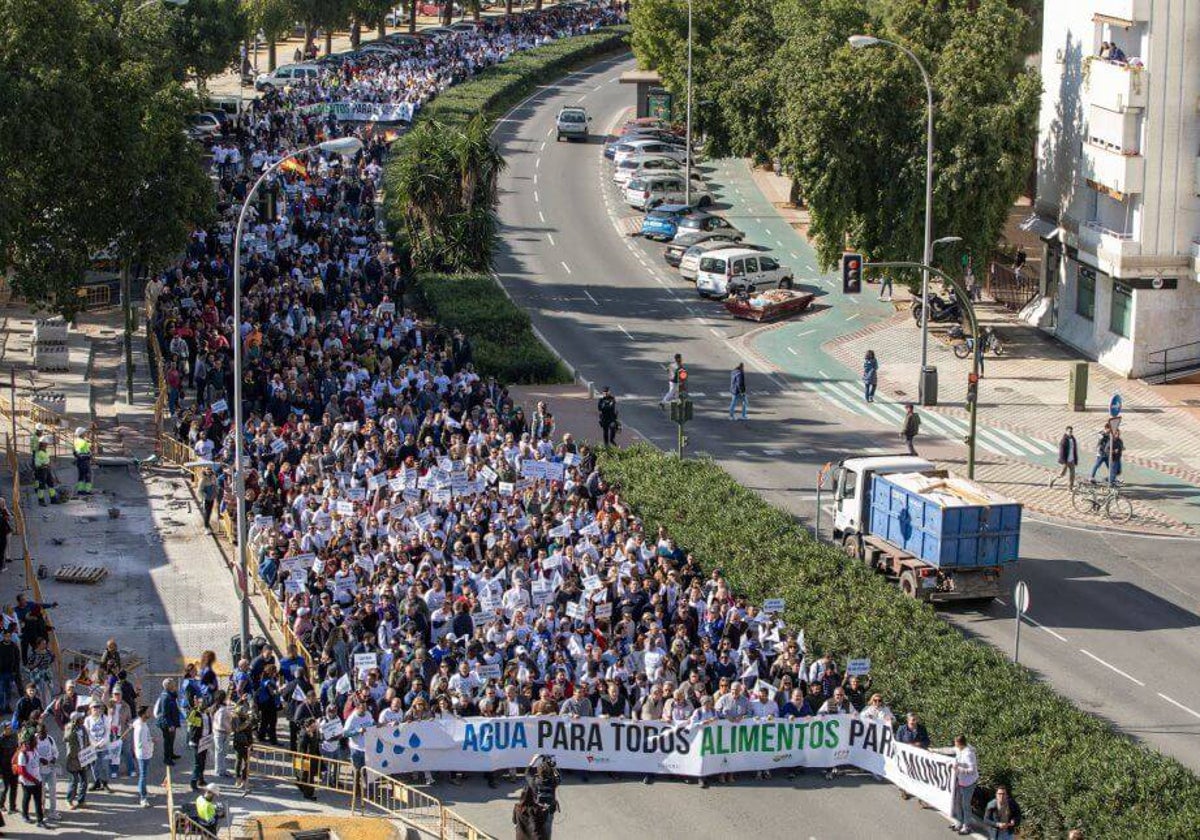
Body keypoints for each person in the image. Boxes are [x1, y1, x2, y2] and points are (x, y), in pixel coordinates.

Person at [524, 755, 560, 838]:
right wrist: (553, 766)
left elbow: (526, 773)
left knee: (535, 830)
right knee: (547, 830)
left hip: (537, 809)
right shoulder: (554, 782)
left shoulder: (534, 782)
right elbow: (559, 776)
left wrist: (534, 760)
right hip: (549, 809)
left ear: (538, 772)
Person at [951, 734, 979, 835]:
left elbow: (972, 770)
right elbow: (949, 750)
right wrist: (934, 751)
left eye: (955, 742)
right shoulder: (959, 749)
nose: (954, 743)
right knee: (957, 802)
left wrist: (959, 769)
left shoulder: (969, 754)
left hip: (969, 783)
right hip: (960, 780)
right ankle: (959, 822)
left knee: (965, 805)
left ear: (959, 743)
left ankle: (967, 826)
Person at [15, 733, 45, 827]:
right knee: (27, 799)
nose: (37, 742)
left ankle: (40, 821)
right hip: (27, 783)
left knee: (38, 800)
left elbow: (36, 758)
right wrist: (33, 780)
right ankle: (25, 815)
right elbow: (22, 771)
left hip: (37, 780)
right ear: (30, 742)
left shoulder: (35, 750)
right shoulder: (22, 754)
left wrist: (42, 760)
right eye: (35, 740)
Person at [63, 710, 89, 810]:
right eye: (81, 718)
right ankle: (69, 800)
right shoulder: (69, 728)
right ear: (76, 720)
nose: (83, 719)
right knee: (74, 781)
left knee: (84, 781)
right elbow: (66, 739)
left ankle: (81, 801)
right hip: (73, 759)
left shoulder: (83, 728)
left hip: (83, 758)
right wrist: (72, 728)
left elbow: (86, 740)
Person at [155, 679, 182, 766]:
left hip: (171, 721)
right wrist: (170, 725)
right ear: (168, 686)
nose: (175, 686)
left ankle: (171, 754)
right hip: (166, 723)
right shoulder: (165, 697)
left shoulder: (169, 694)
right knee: (168, 740)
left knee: (172, 739)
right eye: (173, 684)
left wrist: (175, 693)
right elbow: (165, 713)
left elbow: (174, 698)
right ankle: (167, 758)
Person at [132, 704, 154, 807]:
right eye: (148, 712)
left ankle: (143, 791)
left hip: (146, 753)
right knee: (143, 775)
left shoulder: (141, 723)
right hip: (143, 755)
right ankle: (143, 797)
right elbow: (141, 743)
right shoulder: (140, 727)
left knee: (143, 774)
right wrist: (151, 742)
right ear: (143, 714)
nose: (150, 713)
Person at [35, 722, 58, 821]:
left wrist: (54, 758)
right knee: (41, 793)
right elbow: (31, 754)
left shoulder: (50, 739)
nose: (43, 735)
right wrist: (40, 759)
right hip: (39, 772)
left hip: (50, 770)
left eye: (45, 733)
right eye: (41, 733)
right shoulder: (34, 740)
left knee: (52, 791)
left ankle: (52, 812)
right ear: (38, 733)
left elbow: (56, 751)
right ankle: (41, 811)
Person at [294, 717, 320, 800]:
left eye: (315, 726)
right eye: (312, 726)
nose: (315, 728)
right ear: (307, 727)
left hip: (311, 758)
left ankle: (304, 788)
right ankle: (308, 794)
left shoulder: (314, 732)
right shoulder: (304, 735)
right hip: (304, 759)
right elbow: (302, 749)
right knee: (307, 777)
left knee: (307, 777)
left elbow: (315, 746)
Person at [33, 438, 58, 507]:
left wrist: (49, 464)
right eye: (46, 443)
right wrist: (45, 464)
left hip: (47, 470)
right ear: (42, 444)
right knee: (41, 486)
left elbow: (47, 459)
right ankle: (41, 500)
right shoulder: (38, 453)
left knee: (51, 484)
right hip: (41, 471)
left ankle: (53, 499)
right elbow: (37, 463)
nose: (47, 445)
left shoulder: (45, 451)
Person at [72, 427, 93, 496]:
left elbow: (76, 451)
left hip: (79, 461)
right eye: (84, 433)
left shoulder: (76, 441)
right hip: (85, 461)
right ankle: (87, 490)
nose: (85, 434)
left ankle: (80, 490)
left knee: (81, 476)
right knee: (88, 475)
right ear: (81, 434)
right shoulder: (83, 442)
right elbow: (87, 451)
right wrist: (90, 455)